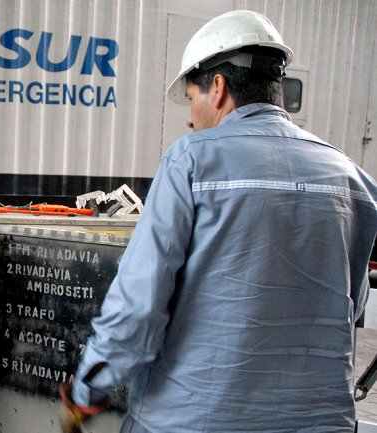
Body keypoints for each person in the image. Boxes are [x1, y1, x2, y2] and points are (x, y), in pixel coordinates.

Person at [61, 10, 377, 433]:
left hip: (194, 418)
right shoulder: (354, 179)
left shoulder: (191, 161)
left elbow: (138, 308)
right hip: (323, 421)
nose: (190, 119)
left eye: (192, 99)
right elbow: (349, 305)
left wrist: (87, 390)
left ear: (218, 87)